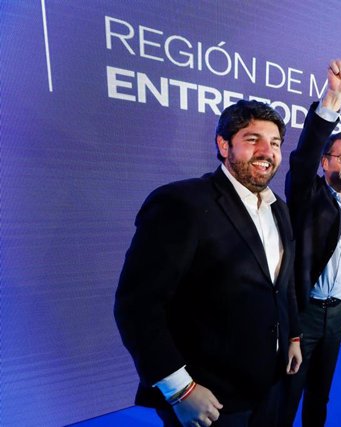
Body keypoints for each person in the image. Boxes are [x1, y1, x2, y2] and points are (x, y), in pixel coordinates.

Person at [114, 100, 302, 427]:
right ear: (223, 144)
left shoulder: (278, 209)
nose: (266, 151)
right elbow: (137, 306)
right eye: (252, 139)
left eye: (274, 143)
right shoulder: (181, 203)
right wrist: (180, 390)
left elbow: (280, 285)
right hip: (209, 397)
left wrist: (293, 336)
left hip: (270, 384)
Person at [282, 57, 341, 427]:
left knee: (320, 393)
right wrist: (331, 104)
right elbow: (301, 160)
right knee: (288, 393)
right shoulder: (307, 195)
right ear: (325, 163)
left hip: (336, 315)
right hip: (304, 313)